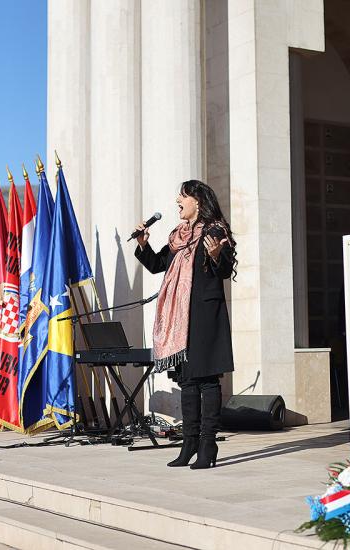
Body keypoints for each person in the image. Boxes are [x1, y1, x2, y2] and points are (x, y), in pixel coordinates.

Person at [135, 180, 236, 469]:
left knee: (206, 379)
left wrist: (217, 255)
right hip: (181, 319)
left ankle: (208, 444)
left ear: (199, 202)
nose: (178, 200)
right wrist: (143, 243)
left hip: (205, 315)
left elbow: (225, 270)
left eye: (183, 196)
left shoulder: (216, 231)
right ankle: (189, 442)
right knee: (188, 380)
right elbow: (157, 264)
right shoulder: (178, 236)